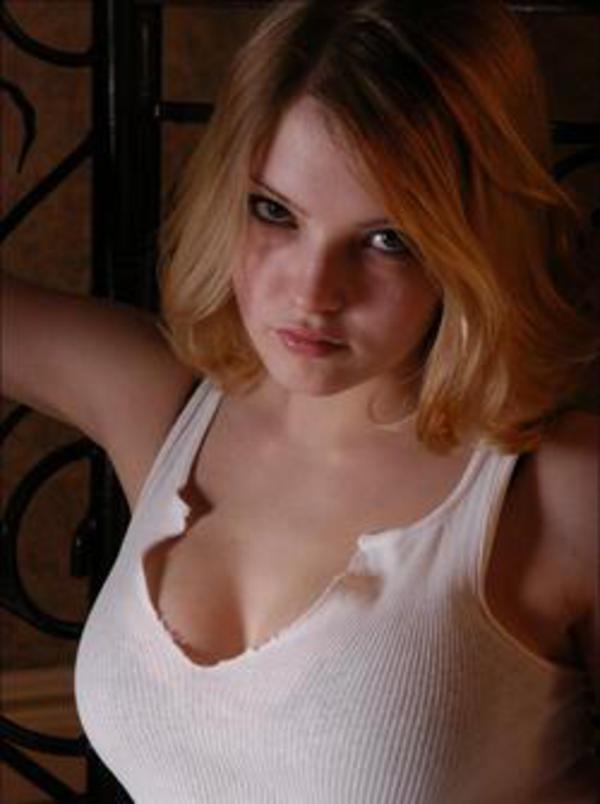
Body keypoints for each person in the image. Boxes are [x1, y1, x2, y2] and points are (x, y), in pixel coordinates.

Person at [2, 0, 598, 801]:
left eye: (387, 240)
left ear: (472, 242)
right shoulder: (164, 403)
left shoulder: (559, 491)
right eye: (275, 212)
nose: (313, 294)